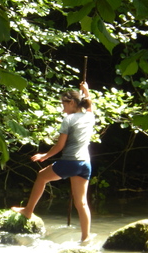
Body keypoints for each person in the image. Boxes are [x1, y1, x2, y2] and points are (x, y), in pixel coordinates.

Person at [12, 81, 95, 243]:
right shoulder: (89, 117)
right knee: (82, 203)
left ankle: (28, 210)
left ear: (71, 103)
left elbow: (60, 146)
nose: (62, 107)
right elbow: (90, 107)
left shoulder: (69, 120)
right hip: (85, 164)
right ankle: (86, 238)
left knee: (42, 176)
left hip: (71, 162)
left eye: (63, 104)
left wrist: (45, 156)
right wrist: (87, 91)